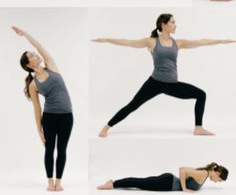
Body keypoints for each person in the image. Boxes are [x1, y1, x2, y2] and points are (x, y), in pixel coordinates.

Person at [93, 13, 236, 137]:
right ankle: (106, 127)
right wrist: (107, 39)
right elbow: (129, 43)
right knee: (132, 106)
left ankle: (198, 128)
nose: (176, 25)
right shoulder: (152, 41)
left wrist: (221, 41)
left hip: (172, 85)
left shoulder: (178, 43)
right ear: (164, 25)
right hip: (154, 83)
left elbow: (201, 42)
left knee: (201, 94)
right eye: (173, 22)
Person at [13, 26, 73, 192]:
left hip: (67, 116)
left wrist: (25, 34)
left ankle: (58, 182)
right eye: (31, 56)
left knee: (62, 149)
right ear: (29, 65)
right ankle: (49, 182)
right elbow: (37, 108)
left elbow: (39, 46)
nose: (35, 54)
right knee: (49, 150)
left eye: (33, 53)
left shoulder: (51, 66)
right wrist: (39, 130)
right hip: (49, 118)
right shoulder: (33, 84)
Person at [97, 162, 228, 192]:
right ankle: (112, 184)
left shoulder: (204, 174)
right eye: (219, 180)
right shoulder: (204, 174)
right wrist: (185, 189)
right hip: (167, 183)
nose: (217, 182)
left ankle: (114, 183)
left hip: (168, 181)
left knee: (141, 182)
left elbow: (185, 172)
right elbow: (183, 171)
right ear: (217, 173)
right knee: (139, 183)